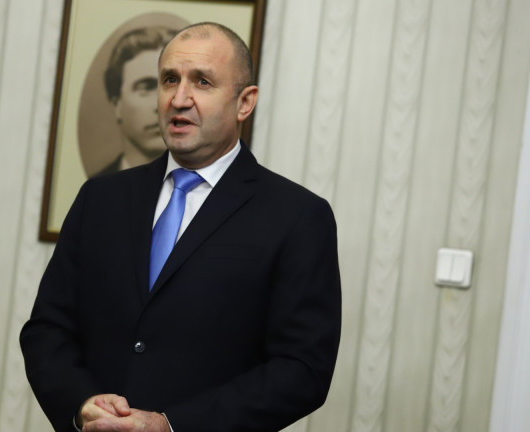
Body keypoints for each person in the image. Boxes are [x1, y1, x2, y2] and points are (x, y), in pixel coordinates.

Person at [21, 22, 341, 432]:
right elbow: (48, 330)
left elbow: (302, 370)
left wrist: (171, 425)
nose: (179, 99)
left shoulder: (297, 216)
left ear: (245, 103)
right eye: (169, 80)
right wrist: (81, 403)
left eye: (202, 82)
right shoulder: (100, 199)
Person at [93, 26, 178, 177]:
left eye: (172, 84)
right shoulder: (95, 188)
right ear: (116, 105)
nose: (162, 105)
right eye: (146, 88)